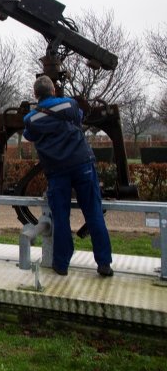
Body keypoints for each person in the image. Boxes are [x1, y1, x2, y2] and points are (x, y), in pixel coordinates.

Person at [23, 75, 114, 277]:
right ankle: (104, 263)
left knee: (61, 217)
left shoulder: (30, 119)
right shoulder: (70, 105)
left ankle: (61, 264)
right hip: (83, 165)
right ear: (54, 90)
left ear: (35, 95)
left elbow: (29, 136)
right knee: (93, 213)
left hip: (57, 171)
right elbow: (80, 116)